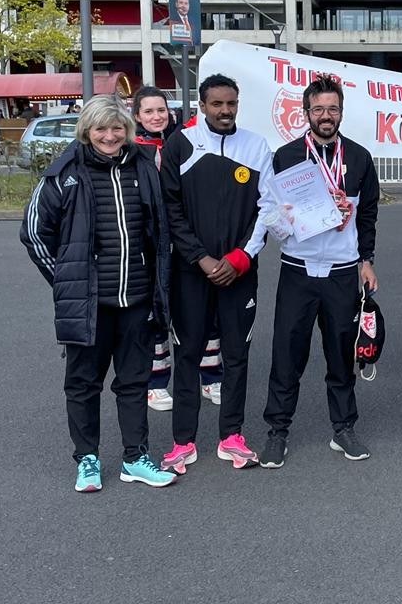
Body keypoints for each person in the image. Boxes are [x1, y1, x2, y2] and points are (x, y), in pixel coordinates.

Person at [20, 95, 176, 491]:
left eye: (117, 127)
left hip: (137, 300)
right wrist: (66, 280)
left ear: (127, 129)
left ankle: (135, 458)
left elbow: (159, 231)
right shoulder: (64, 173)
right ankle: (87, 459)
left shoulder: (144, 166)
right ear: (86, 131)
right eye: (101, 128)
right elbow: (34, 232)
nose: (109, 136)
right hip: (90, 305)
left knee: (135, 382)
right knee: (83, 384)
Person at [259, 75, 379, 466]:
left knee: (341, 355)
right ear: (306, 112)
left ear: (340, 112)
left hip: (342, 272)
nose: (325, 116)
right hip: (298, 269)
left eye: (332, 109)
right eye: (318, 109)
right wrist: (287, 218)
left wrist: (366, 260)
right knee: (286, 354)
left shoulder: (359, 158)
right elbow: (270, 213)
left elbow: (368, 215)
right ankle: (277, 432)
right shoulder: (287, 156)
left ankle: (343, 429)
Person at [159, 74, 273, 472]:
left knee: (236, 354)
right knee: (188, 353)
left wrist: (242, 256)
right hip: (192, 272)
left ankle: (232, 437)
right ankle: (182, 442)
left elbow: (268, 208)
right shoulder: (180, 144)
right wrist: (200, 258)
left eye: (231, 104)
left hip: (239, 272)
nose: (225, 111)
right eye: (217, 104)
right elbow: (170, 209)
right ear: (202, 106)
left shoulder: (257, 146)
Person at [130, 86, 224, 412]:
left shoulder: (186, 141)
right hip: (151, 245)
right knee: (156, 314)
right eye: (148, 111)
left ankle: (211, 376)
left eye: (161, 110)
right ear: (137, 115)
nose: (156, 116)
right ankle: (155, 384)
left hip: (187, 241)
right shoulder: (132, 150)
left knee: (204, 311)